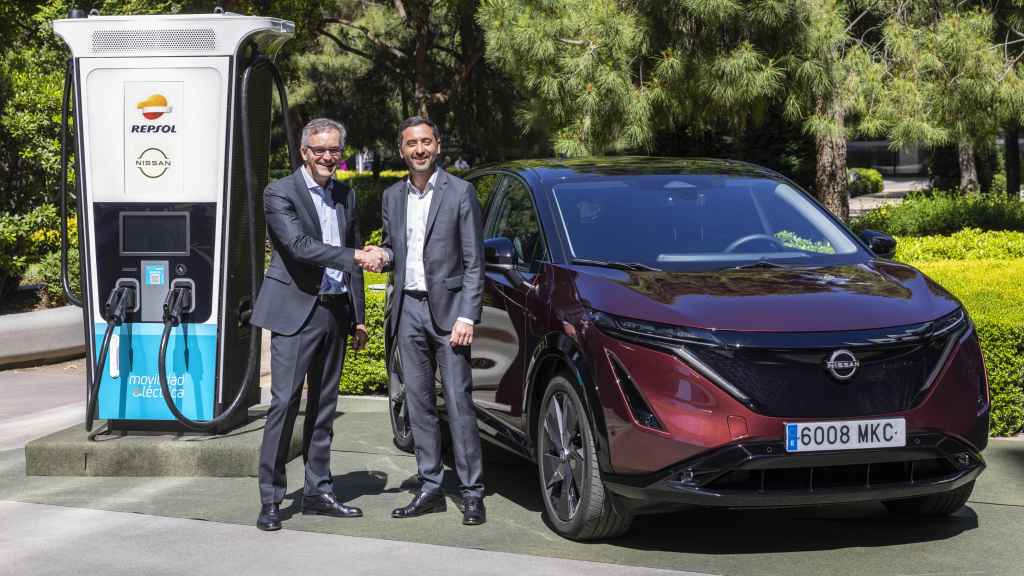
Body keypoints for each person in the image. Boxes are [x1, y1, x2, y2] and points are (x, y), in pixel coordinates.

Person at [251, 118, 384, 531]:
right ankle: (271, 499)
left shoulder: (346, 194)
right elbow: (298, 247)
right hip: (294, 312)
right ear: (305, 152)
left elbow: (352, 250)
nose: (328, 157)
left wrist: (359, 317)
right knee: (285, 404)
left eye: (334, 150)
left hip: (334, 311)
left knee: (324, 409)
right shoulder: (280, 192)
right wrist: (357, 258)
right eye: (320, 150)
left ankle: (318, 491)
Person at [364, 116, 486, 525]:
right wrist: (382, 255)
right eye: (411, 144)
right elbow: (395, 249)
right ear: (401, 150)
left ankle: (472, 493)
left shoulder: (460, 192)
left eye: (426, 142)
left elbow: (473, 263)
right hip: (408, 312)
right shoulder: (392, 196)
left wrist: (468, 314)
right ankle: (431, 486)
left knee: (457, 403)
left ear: (438, 146)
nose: (419, 149)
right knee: (418, 407)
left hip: (451, 316)